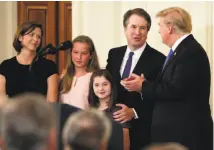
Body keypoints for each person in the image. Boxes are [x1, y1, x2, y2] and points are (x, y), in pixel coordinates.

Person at [121, 7, 213, 150]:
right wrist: (144, 83)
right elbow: (171, 85)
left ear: (169, 28)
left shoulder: (190, 52)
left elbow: (175, 89)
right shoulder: (182, 50)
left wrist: (143, 86)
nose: (158, 30)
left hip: (184, 135)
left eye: (160, 25)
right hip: (176, 133)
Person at [106, 8, 165, 150]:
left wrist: (134, 112)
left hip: (142, 131)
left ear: (148, 31)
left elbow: (161, 97)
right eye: (133, 27)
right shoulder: (114, 54)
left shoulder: (159, 59)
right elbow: (107, 84)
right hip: (112, 128)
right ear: (125, 29)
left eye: (142, 28)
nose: (137, 32)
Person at [0, 21, 58, 102]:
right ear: (20, 37)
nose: (36, 39)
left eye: (38, 37)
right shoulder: (6, 66)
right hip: (12, 114)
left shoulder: (49, 66)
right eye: (32, 35)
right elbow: (0, 100)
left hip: (40, 114)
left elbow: (51, 102)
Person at [88, 69, 130, 150]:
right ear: (92, 87)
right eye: (96, 85)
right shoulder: (90, 110)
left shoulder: (119, 111)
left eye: (105, 84)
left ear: (111, 85)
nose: (101, 88)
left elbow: (125, 144)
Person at [59, 35, 100, 109]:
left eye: (83, 53)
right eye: (75, 52)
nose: (79, 57)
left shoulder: (95, 78)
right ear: (71, 53)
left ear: (91, 55)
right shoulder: (64, 77)